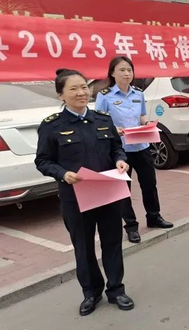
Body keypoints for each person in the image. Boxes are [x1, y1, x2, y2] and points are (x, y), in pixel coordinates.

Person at [35, 69, 135, 316]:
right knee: (83, 246)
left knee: (112, 242)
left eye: (84, 87)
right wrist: (62, 174)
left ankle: (116, 290)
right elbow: (43, 161)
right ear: (61, 95)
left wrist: (121, 161)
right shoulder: (52, 126)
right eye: (73, 89)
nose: (81, 93)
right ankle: (91, 293)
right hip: (76, 197)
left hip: (108, 192)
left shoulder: (102, 119)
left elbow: (116, 148)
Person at [95, 56, 173, 243]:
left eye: (129, 70)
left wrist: (148, 125)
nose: (127, 73)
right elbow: (99, 123)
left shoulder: (138, 93)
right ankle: (131, 226)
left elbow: (142, 116)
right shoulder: (105, 96)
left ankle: (154, 217)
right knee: (124, 190)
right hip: (120, 151)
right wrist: (114, 130)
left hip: (142, 146)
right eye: (122, 70)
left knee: (149, 184)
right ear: (112, 73)